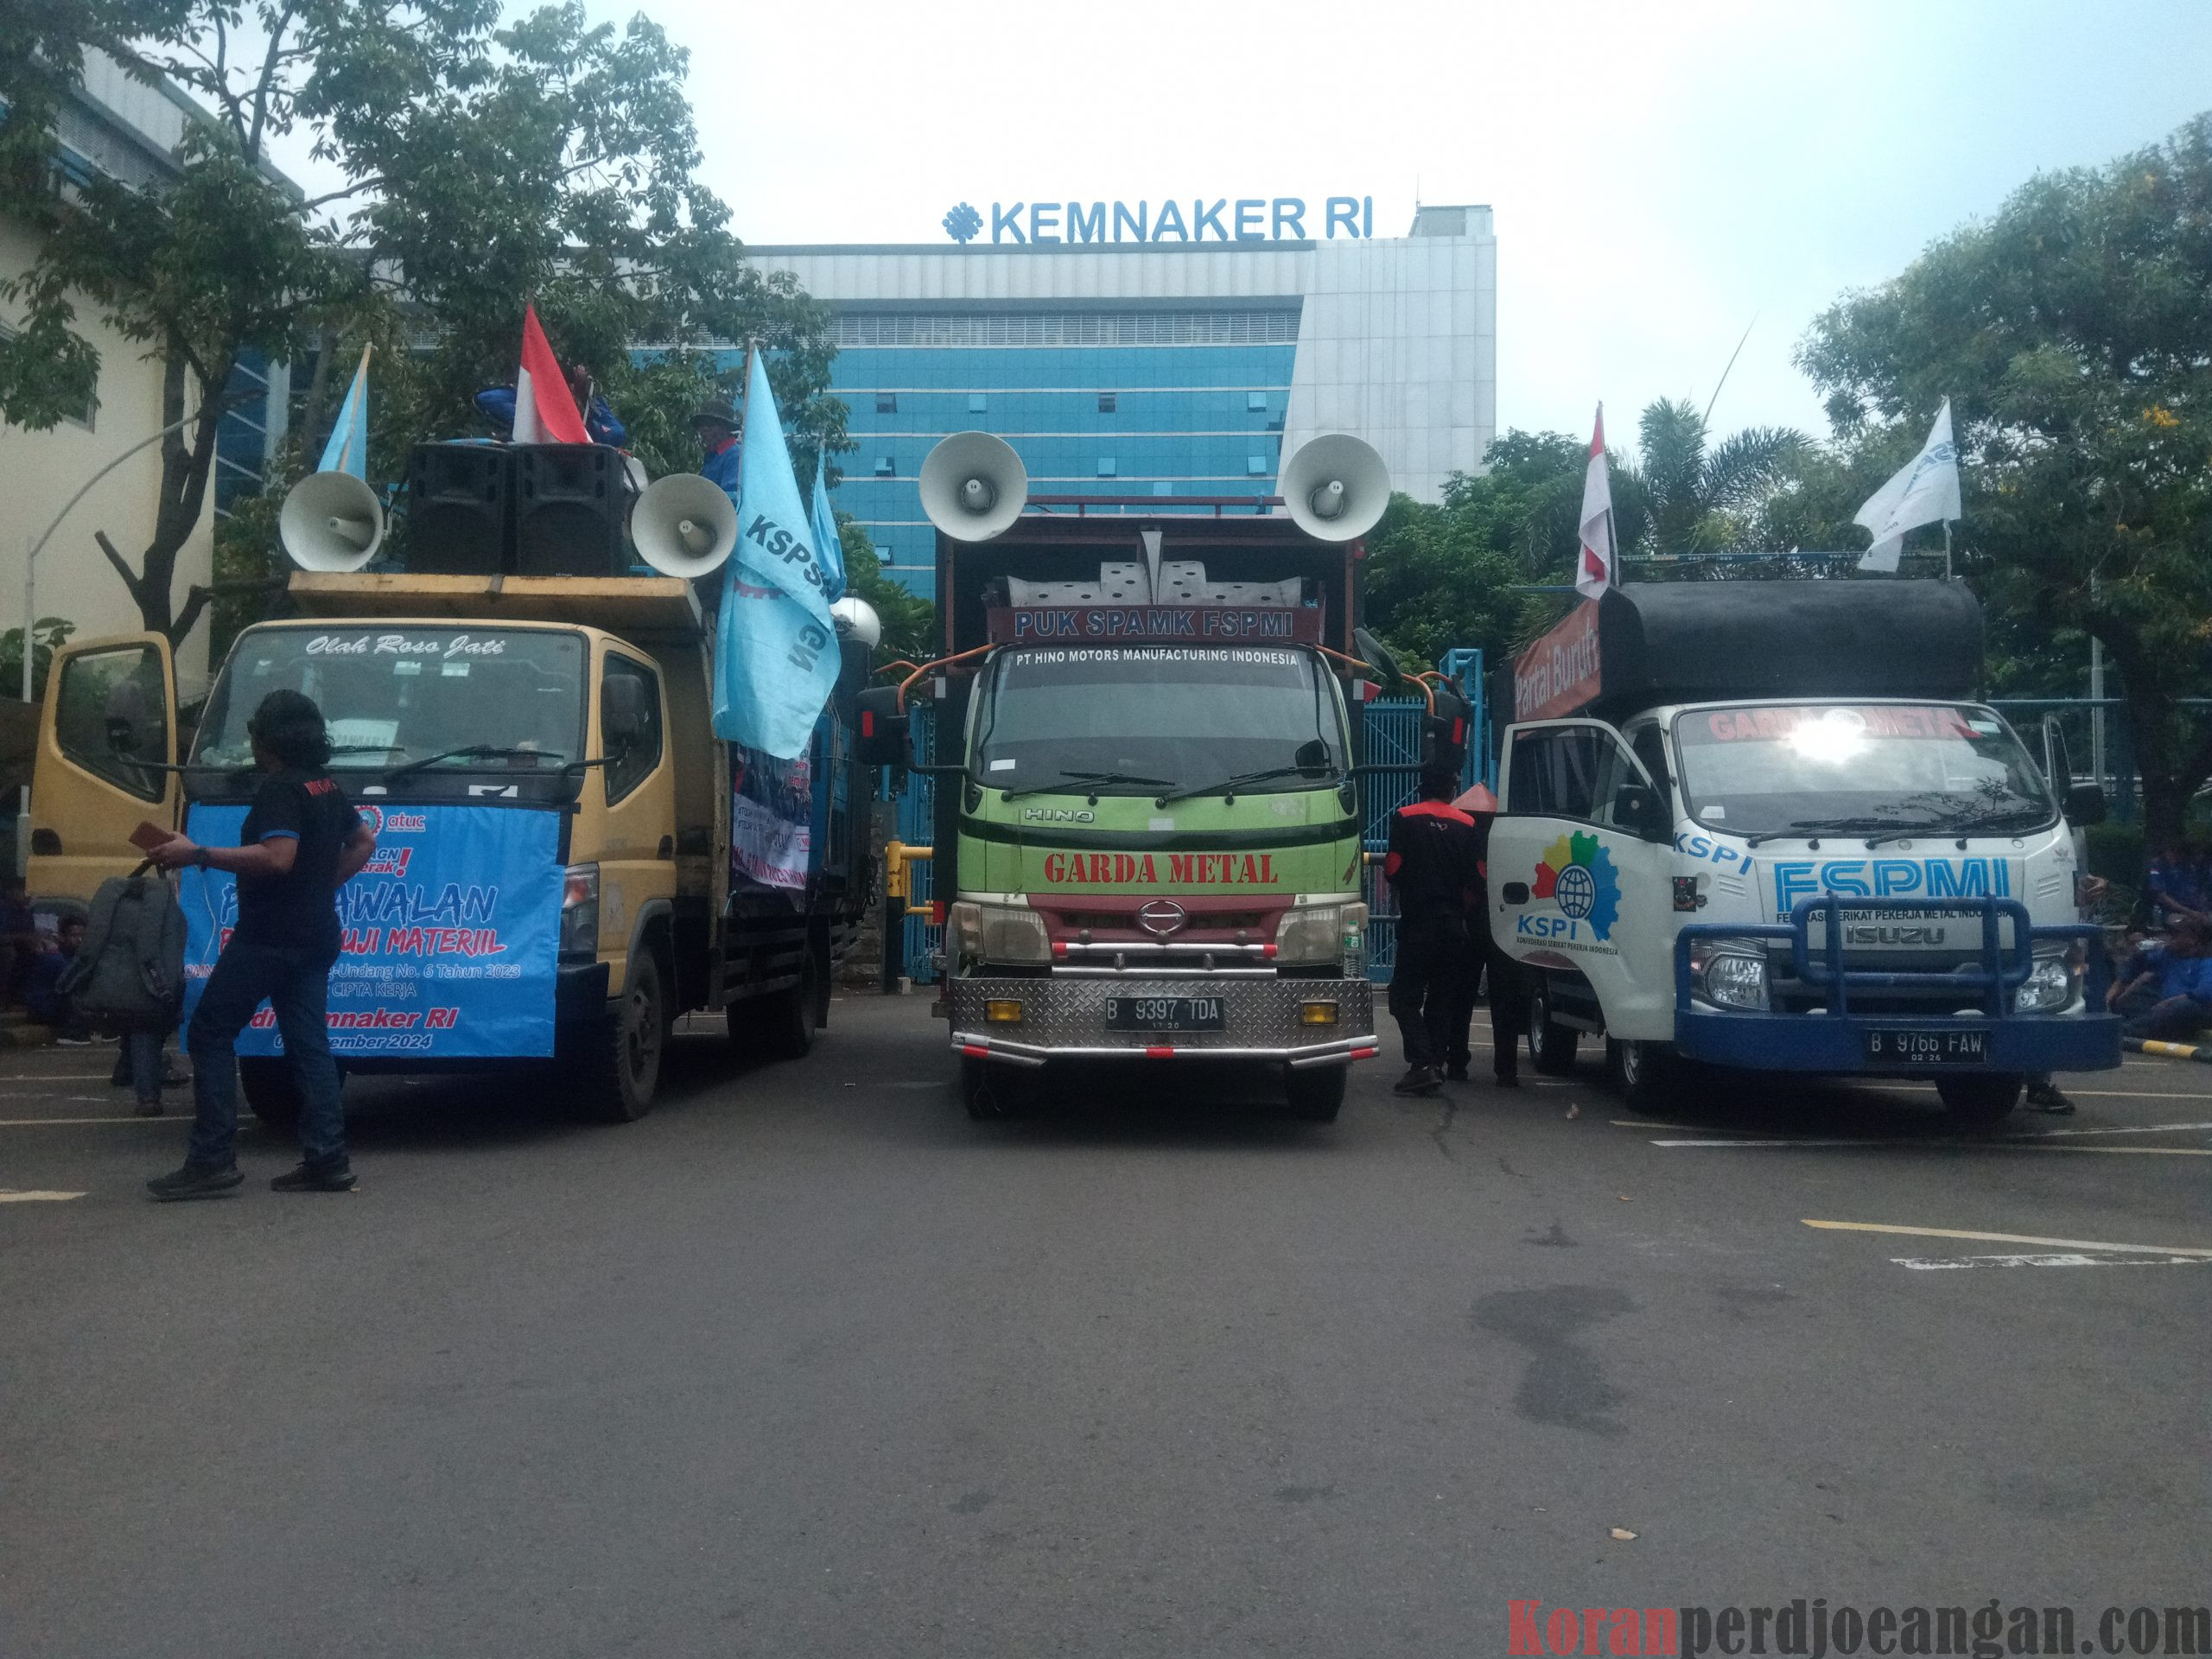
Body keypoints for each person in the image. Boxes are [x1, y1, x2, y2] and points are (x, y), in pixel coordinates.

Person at [145, 690, 377, 1200]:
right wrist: (323, 886)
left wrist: (197, 853)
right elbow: (365, 842)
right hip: (317, 933)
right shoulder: (325, 785)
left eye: (253, 731)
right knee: (309, 1045)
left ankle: (211, 1160)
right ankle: (328, 1159)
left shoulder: (281, 789)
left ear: (266, 739)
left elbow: (277, 857)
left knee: (210, 1032)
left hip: (269, 936)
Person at [1385, 766, 1483, 1096]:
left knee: (1403, 997)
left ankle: (1423, 1062)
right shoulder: (1468, 824)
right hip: (1453, 926)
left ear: (1421, 789)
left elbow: (1393, 868)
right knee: (1442, 998)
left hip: (1417, 924)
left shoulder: (1405, 817)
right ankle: (1433, 1065)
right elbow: (1478, 879)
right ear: (1452, 791)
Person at [1441, 782, 1523, 1087]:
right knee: (1505, 999)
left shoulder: (1458, 837)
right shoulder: (1508, 842)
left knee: (1461, 996)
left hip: (1469, 923)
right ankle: (1507, 1069)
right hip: (1503, 925)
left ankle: (1457, 1064)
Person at [2107, 917, 2212, 1043]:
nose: (2170, 938)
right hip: (2162, 1004)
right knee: (2134, 998)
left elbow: (2205, 992)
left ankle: (2125, 1031)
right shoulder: (2167, 955)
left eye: (2175, 935)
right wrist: (2140, 952)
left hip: (2191, 1008)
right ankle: (2128, 1025)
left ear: (2192, 939)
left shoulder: (2206, 960)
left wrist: (2169, 1002)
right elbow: (2137, 964)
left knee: (2184, 1008)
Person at [22, 917, 92, 1044]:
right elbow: (68, 986)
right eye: (74, 935)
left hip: (54, 1005)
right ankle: (71, 1032)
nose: (80, 940)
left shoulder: (75, 958)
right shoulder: (55, 959)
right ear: (62, 937)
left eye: (82, 936)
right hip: (43, 1008)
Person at [2145, 840, 2208, 931]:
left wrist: (2202, 911)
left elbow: (2199, 891)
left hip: (2195, 909)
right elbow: (2162, 897)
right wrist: (2190, 912)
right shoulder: (2158, 865)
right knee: (2186, 923)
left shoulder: (2188, 866)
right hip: (2170, 912)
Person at [0, 874, 41, 1006]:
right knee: (9, 954)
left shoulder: (25, 911)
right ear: (11, 892)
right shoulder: (4, 909)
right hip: (7, 949)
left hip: (23, 949)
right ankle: (4, 998)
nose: (27, 895)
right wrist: (23, 937)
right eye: (23, 891)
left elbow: (31, 932)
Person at [695, 398, 742, 496]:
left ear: (726, 427)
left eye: (711, 424)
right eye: (702, 424)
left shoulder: (735, 455)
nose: (705, 429)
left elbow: (731, 497)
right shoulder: (712, 457)